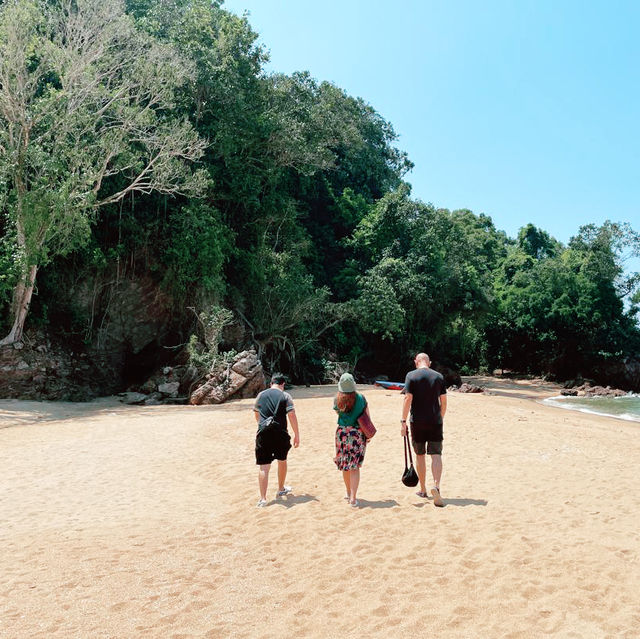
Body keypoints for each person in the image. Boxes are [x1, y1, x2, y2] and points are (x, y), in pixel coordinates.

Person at [400, 353, 447, 507]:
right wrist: (440, 418)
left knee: (420, 455)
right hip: (435, 422)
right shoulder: (438, 377)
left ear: (416, 362)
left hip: (417, 422)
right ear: (429, 362)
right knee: (436, 454)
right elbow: (444, 401)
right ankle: (437, 486)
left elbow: (408, 399)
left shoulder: (411, 376)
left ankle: (422, 489)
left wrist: (403, 420)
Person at [253, 373, 300, 507]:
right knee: (282, 460)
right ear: (283, 384)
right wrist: (297, 434)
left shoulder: (261, 395)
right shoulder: (285, 396)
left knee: (264, 467)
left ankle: (262, 499)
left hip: (263, 432)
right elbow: (291, 414)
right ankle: (280, 489)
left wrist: (261, 425)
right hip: (280, 433)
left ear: (271, 383)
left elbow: (256, 412)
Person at [333, 372, 371, 508]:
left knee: (345, 464)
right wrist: (368, 435)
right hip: (357, 433)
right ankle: (353, 498)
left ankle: (348, 493)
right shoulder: (361, 398)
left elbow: (338, 412)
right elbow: (367, 416)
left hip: (342, 432)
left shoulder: (337, 398)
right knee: (355, 466)